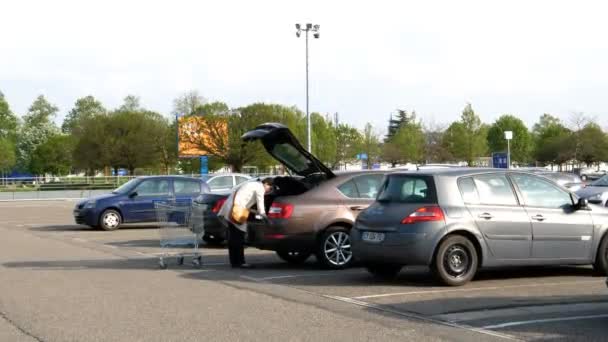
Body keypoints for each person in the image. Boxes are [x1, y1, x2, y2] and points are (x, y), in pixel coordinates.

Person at [217, 178, 274, 268]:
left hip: (231, 208)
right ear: (266, 183)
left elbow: (246, 202)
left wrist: (256, 212)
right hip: (236, 211)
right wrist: (265, 218)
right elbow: (260, 204)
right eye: (270, 188)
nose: (268, 190)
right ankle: (240, 262)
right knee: (239, 237)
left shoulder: (252, 184)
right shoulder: (260, 188)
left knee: (233, 237)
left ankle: (234, 262)